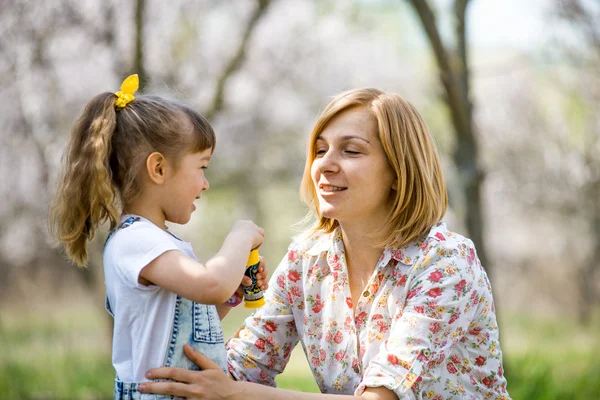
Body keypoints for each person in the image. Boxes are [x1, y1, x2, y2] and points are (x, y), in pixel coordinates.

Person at [138, 88, 511, 399]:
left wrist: (232, 393)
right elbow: (238, 369)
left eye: (351, 151)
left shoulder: (445, 261)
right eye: (319, 150)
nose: (325, 165)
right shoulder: (307, 259)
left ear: (399, 172)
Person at [49, 74, 268, 399]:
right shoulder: (135, 241)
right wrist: (241, 235)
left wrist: (230, 296)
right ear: (159, 169)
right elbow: (210, 284)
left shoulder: (159, 243)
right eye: (202, 167)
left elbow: (182, 324)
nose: (205, 184)